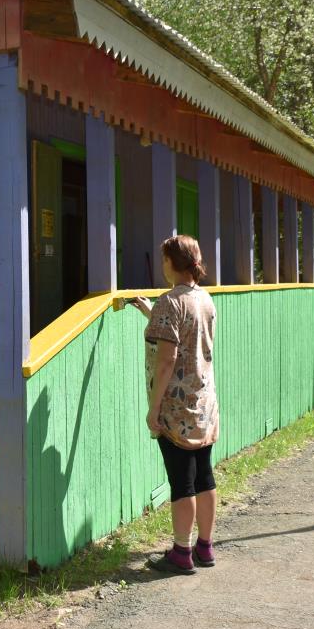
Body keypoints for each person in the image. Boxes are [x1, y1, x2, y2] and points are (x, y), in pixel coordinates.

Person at [126, 234, 219, 575]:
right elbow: (187, 331)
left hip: (177, 409)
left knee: (182, 482)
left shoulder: (170, 301)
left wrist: (153, 408)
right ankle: (204, 547)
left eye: (165, 260)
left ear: (171, 263)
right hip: (204, 403)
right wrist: (150, 313)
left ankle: (181, 553)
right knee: (204, 478)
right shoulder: (204, 299)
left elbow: (167, 360)